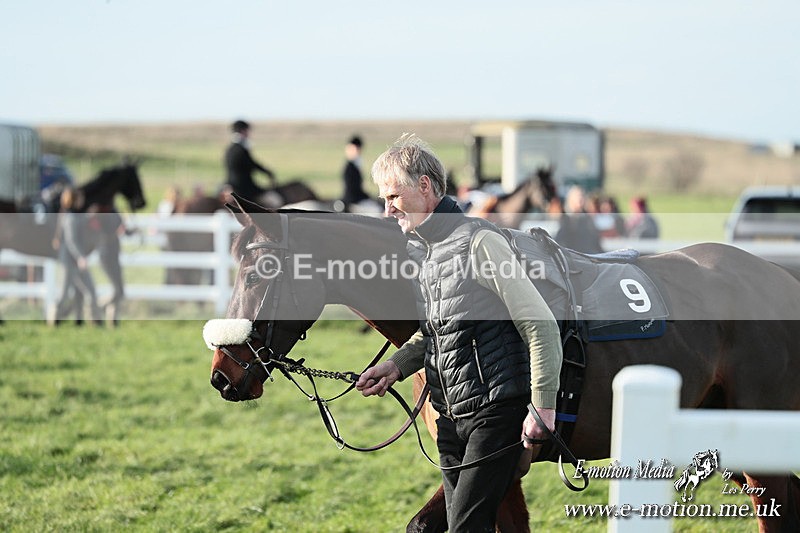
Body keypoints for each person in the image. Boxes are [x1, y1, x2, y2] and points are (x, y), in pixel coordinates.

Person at [356, 134, 563, 531]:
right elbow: (439, 331)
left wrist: (542, 407)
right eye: (383, 199)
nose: (388, 209)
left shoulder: (481, 242)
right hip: (450, 418)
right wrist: (396, 367)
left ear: (425, 187)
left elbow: (540, 325)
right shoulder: (424, 251)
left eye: (393, 196)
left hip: (495, 411)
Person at [52, 187, 102, 325]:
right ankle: (54, 318)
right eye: (79, 198)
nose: (82, 200)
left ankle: (88, 319)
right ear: (75, 200)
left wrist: (89, 216)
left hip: (76, 260)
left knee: (88, 291)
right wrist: (80, 257)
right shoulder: (70, 217)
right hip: (69, 261)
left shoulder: (73, 215)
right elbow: (71, 240)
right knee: (64, 292)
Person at [223, 120, 276, 205]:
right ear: (243, 131)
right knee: (273, 201)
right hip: (244, 188)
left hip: (230, 185)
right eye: (248, 131)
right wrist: (268, 172)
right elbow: (252, 165)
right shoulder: (241, 149)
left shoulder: (229, 149)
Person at [554, 185, 603, 253]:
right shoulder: (563, 218)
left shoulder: (587, 219)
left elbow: (595, 242)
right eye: (578, 196)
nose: (580, 199)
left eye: (582, 196)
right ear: (570, 199)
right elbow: (559, 241)